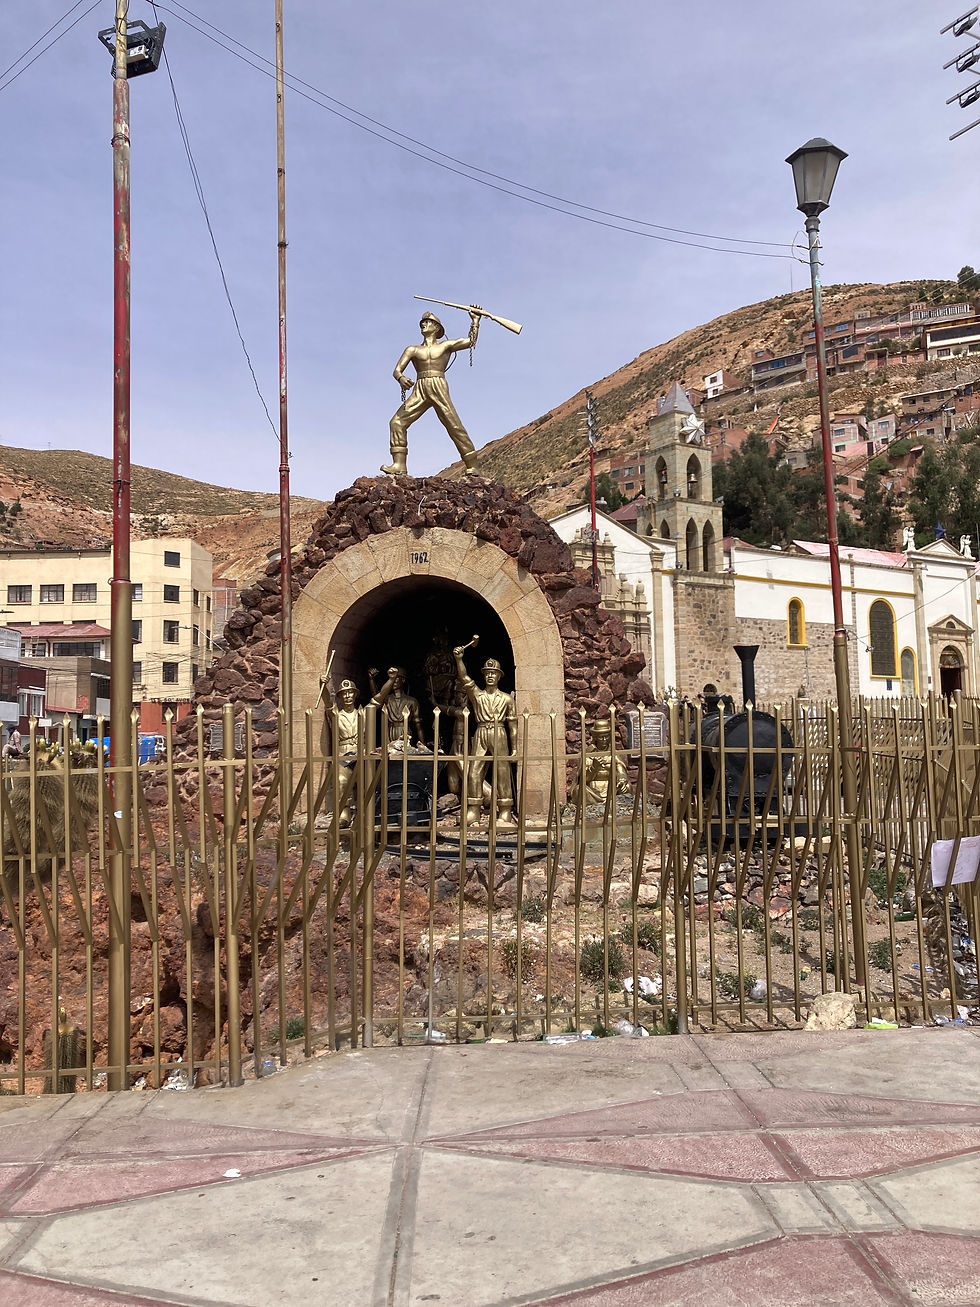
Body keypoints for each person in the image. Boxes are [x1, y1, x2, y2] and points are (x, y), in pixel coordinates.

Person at [384, 308, 482, 477]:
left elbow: (470, 342)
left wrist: (475, 321)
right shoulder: (412, 350)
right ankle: (399, 465)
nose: (424, 324)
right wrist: (401, 378)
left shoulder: (446, 345)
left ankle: (472, 464)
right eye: (422, 323)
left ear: (437, 328)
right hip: (420, 387)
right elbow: (397, 371)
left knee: (454, 425)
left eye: (428, 322)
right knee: (396, 422)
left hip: (438, 384)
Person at [453, 644, 517, 827]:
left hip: (499, 733)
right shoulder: (478, 696)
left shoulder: (507, 699)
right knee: (474, 772)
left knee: (502, 771)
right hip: (481, 731)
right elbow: (464, 678)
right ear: (484, 675)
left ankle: (505, 810)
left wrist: (515, 748)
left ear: (499, 676)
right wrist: (459, 659)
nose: (490, 675)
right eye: (487, 673)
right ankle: (474, 809)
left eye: (493, 673)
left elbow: (513, 725)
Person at [320, 677, 361, 827]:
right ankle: (345, 813)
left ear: (355, 695)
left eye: (350, 693)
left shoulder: (362, 713)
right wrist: (322, 684)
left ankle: (363, 813)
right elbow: (327, 702)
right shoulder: (337, 715)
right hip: (343, 752)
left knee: (365, 781)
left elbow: (378, 700)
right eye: (344, 694)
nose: (347, 696)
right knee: (341, 782)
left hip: (360, 751)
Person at [571, 719, 631, 807]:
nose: (604, 740)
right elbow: (584, 779)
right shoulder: (588, 755)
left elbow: (620, 768)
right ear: (595, 737)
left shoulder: (613, 754)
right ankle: (597, 806)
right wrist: (594, 767)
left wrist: (622, 779)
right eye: (601, 737)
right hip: (593, 790)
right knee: (579, 790)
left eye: (606, 737)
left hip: (612, 789)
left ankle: (614, 805)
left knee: (627, 787)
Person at [369, 666, 426, 749]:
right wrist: (371, 680)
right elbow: (376, 698)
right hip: (390, 731)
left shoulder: (412, 701)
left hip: (405, 731)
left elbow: (418, 726)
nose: (393, 681)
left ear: (403, 680)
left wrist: (423, 746)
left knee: (405, 755)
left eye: (396, 678)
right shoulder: (387, 699)